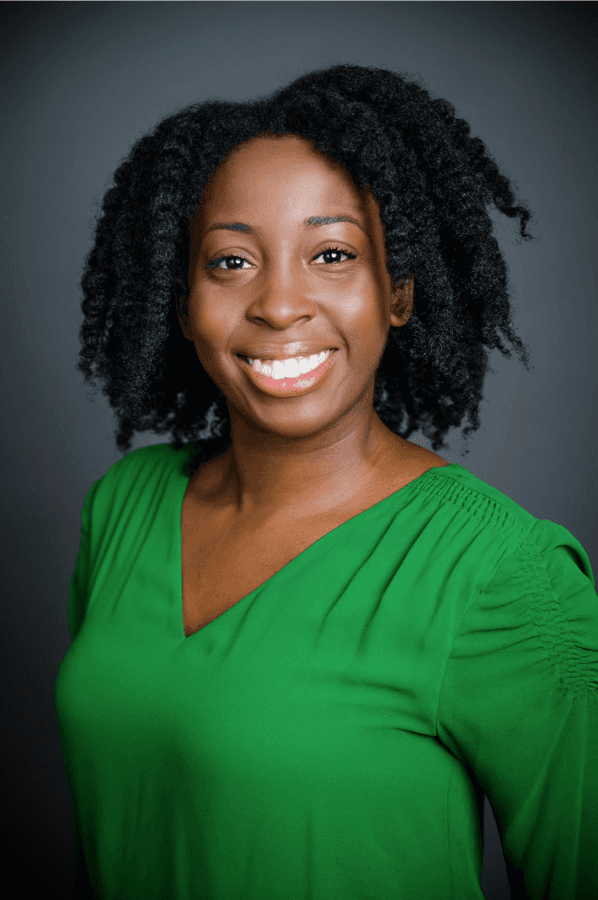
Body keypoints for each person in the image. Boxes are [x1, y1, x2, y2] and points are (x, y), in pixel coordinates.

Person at [54, 64, 597, 899]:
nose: (279, 304)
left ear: (400, 294)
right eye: (231, 261)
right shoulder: (124, 506)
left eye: (333, 254)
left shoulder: (505, 578)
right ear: (181, 300)